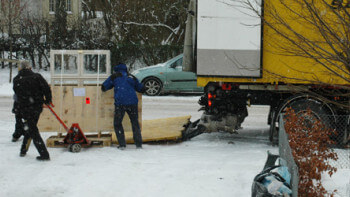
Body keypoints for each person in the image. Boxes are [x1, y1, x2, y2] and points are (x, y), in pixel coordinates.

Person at [13, 61, 52, 161]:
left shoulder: (17, 79)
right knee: (31, 128)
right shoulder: (37, 77)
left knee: (32, 129)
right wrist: (47, 100)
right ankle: (23, 150)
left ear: (20, 68)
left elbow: (17, 96)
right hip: (37, 107)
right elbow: (46, 88)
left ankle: (44, 155)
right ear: (30, 67)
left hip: (25, 108)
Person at [101, 63, 144, 150]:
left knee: (117, 123)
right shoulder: (131, 76)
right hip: (133, 103)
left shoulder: (114, 76)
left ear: (116, 69)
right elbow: (141, 88)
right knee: (135, 123)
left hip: (120, 104)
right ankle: (138, 144)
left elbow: (104, 86)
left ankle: (122, 144)